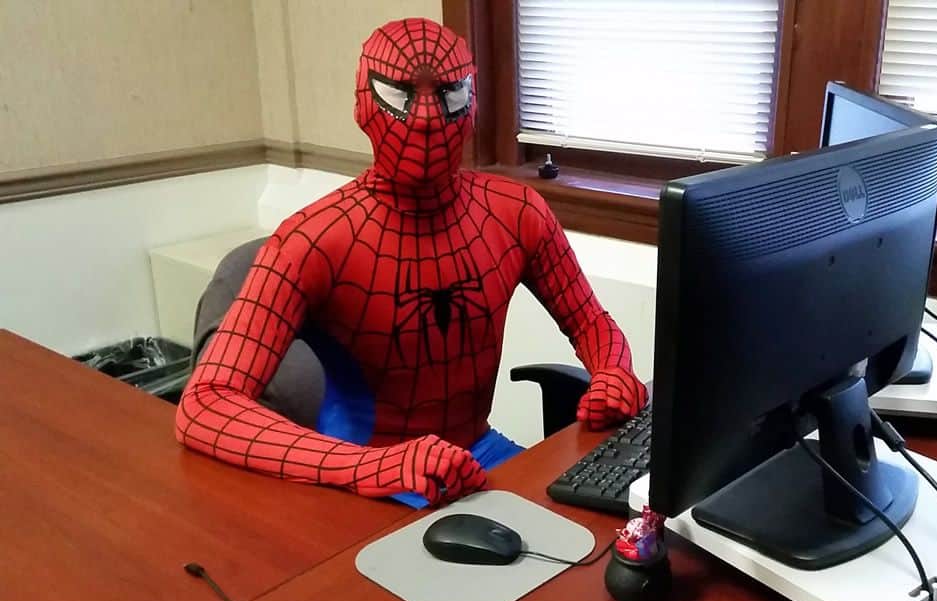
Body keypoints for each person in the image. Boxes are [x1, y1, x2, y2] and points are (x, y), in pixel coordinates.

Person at [175, 18, 647, 506]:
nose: (425, 118)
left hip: (479, 455)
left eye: (450, 95)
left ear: (473, 103)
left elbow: (592, 322)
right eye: (399, 96)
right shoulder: (312, 241)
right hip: (363, 479)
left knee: (594, 544)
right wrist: (367, 466)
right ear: (363, 104)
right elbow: (206, 405)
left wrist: (614, 371)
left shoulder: (519, 213)